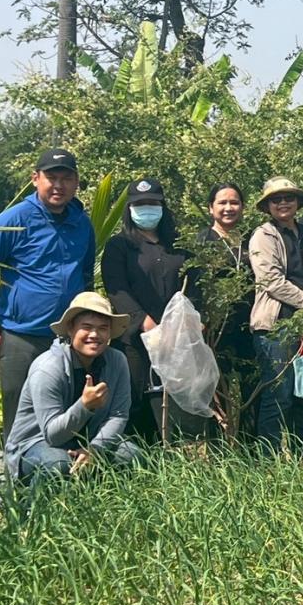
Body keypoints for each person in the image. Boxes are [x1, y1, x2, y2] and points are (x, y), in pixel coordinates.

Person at [0, 148, 96, 443]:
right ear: (36, 179)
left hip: (66, 339)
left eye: (66, 178)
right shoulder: (14, 219)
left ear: (76, 183)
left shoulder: (82, 223)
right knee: (20, 419)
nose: (58, 185)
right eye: (51, 177)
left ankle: (64, 481)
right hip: (22, 338)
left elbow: (86, 276)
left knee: (67, 414)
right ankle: (19, 486)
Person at [3, 292, 139, 488]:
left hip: (89, 439)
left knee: (132, 455)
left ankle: (107, 510)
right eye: (87, 327)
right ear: (70, 329)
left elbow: (118, 415)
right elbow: (53, 435)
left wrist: (94, 449)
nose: (95, 335)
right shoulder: (47, 368)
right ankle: (34, 514)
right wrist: (85, 406)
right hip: (38, 443)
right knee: (58, 464)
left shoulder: (117, 361)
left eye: (103, 328)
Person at [101, 178, 192, 441]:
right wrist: (144, 322)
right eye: (140, 204)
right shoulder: (120, 246)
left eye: (153, 203)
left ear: (163, 206)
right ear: (130, 209)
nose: (147, 208)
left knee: (176, 400)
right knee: (136, 399)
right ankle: (138, 461)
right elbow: (116, 288)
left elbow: (193, 283)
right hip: (136, 341)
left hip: (178, 338)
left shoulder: (179, 245)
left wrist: (187, 322)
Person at [248, 176, 303, 450]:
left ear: (297, 202)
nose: (283, 203)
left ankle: (301, 454)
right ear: (268, 206)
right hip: (277, 326)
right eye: (276, 199)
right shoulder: (263, 236)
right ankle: (269, 460)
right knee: (278, 395)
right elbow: (271, 281)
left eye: (288, 198)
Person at [184, 182, 256, 439]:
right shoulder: (201, 241)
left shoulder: (251, 239)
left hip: (249, 326)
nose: (228, 208)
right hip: (215, 327)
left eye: (234, 202)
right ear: (210, 208)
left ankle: (250, 447)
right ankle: (216, 449)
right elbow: (193, 285)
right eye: (222, 203)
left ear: (243, 207)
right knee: (216, 389)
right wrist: (200, 320)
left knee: (251, 387)